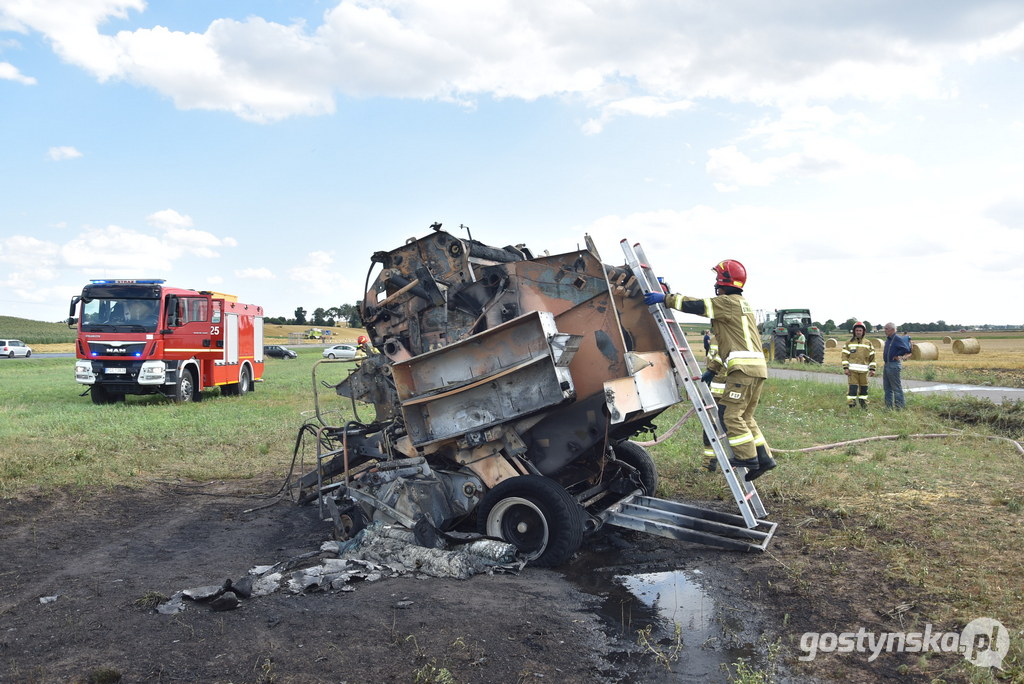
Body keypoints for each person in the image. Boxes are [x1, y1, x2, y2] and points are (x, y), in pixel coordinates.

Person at [644, 259, 776, 480]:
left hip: (742, 370)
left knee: (729, 415)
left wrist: (666, 299)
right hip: (756, 369)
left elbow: (699, 306)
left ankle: (747, 458)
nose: (715, 282)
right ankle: (764, 459)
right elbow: (729, 340)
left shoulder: (728, 302)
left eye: (717, 278)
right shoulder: (741, 304)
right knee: (746, 417)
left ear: (724, 281)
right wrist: (713, 369)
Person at [842, 321, 875, 409]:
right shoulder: (848, 343)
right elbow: (844, 356)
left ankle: (864, 405)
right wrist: (845, 368)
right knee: (852, 389)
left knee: (864, 389)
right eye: (857, 330)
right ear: (854, 331)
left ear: (863, 331)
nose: (858, 332)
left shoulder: (868, 343)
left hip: (864, 372)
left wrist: (872, 369)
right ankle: (852, 405)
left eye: (860, 330)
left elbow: (872, 357)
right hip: (852, 372)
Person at [882, 322, 912, 410]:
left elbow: (906, 349)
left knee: (896, 388)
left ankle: (899, 407)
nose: (885, 331)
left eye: (886, 329)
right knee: (887, 388)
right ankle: (888, 407)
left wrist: (898, 355)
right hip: (887, 364)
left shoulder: (897, 338)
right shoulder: (889, 339)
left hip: (893, 365)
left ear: (892, 330)